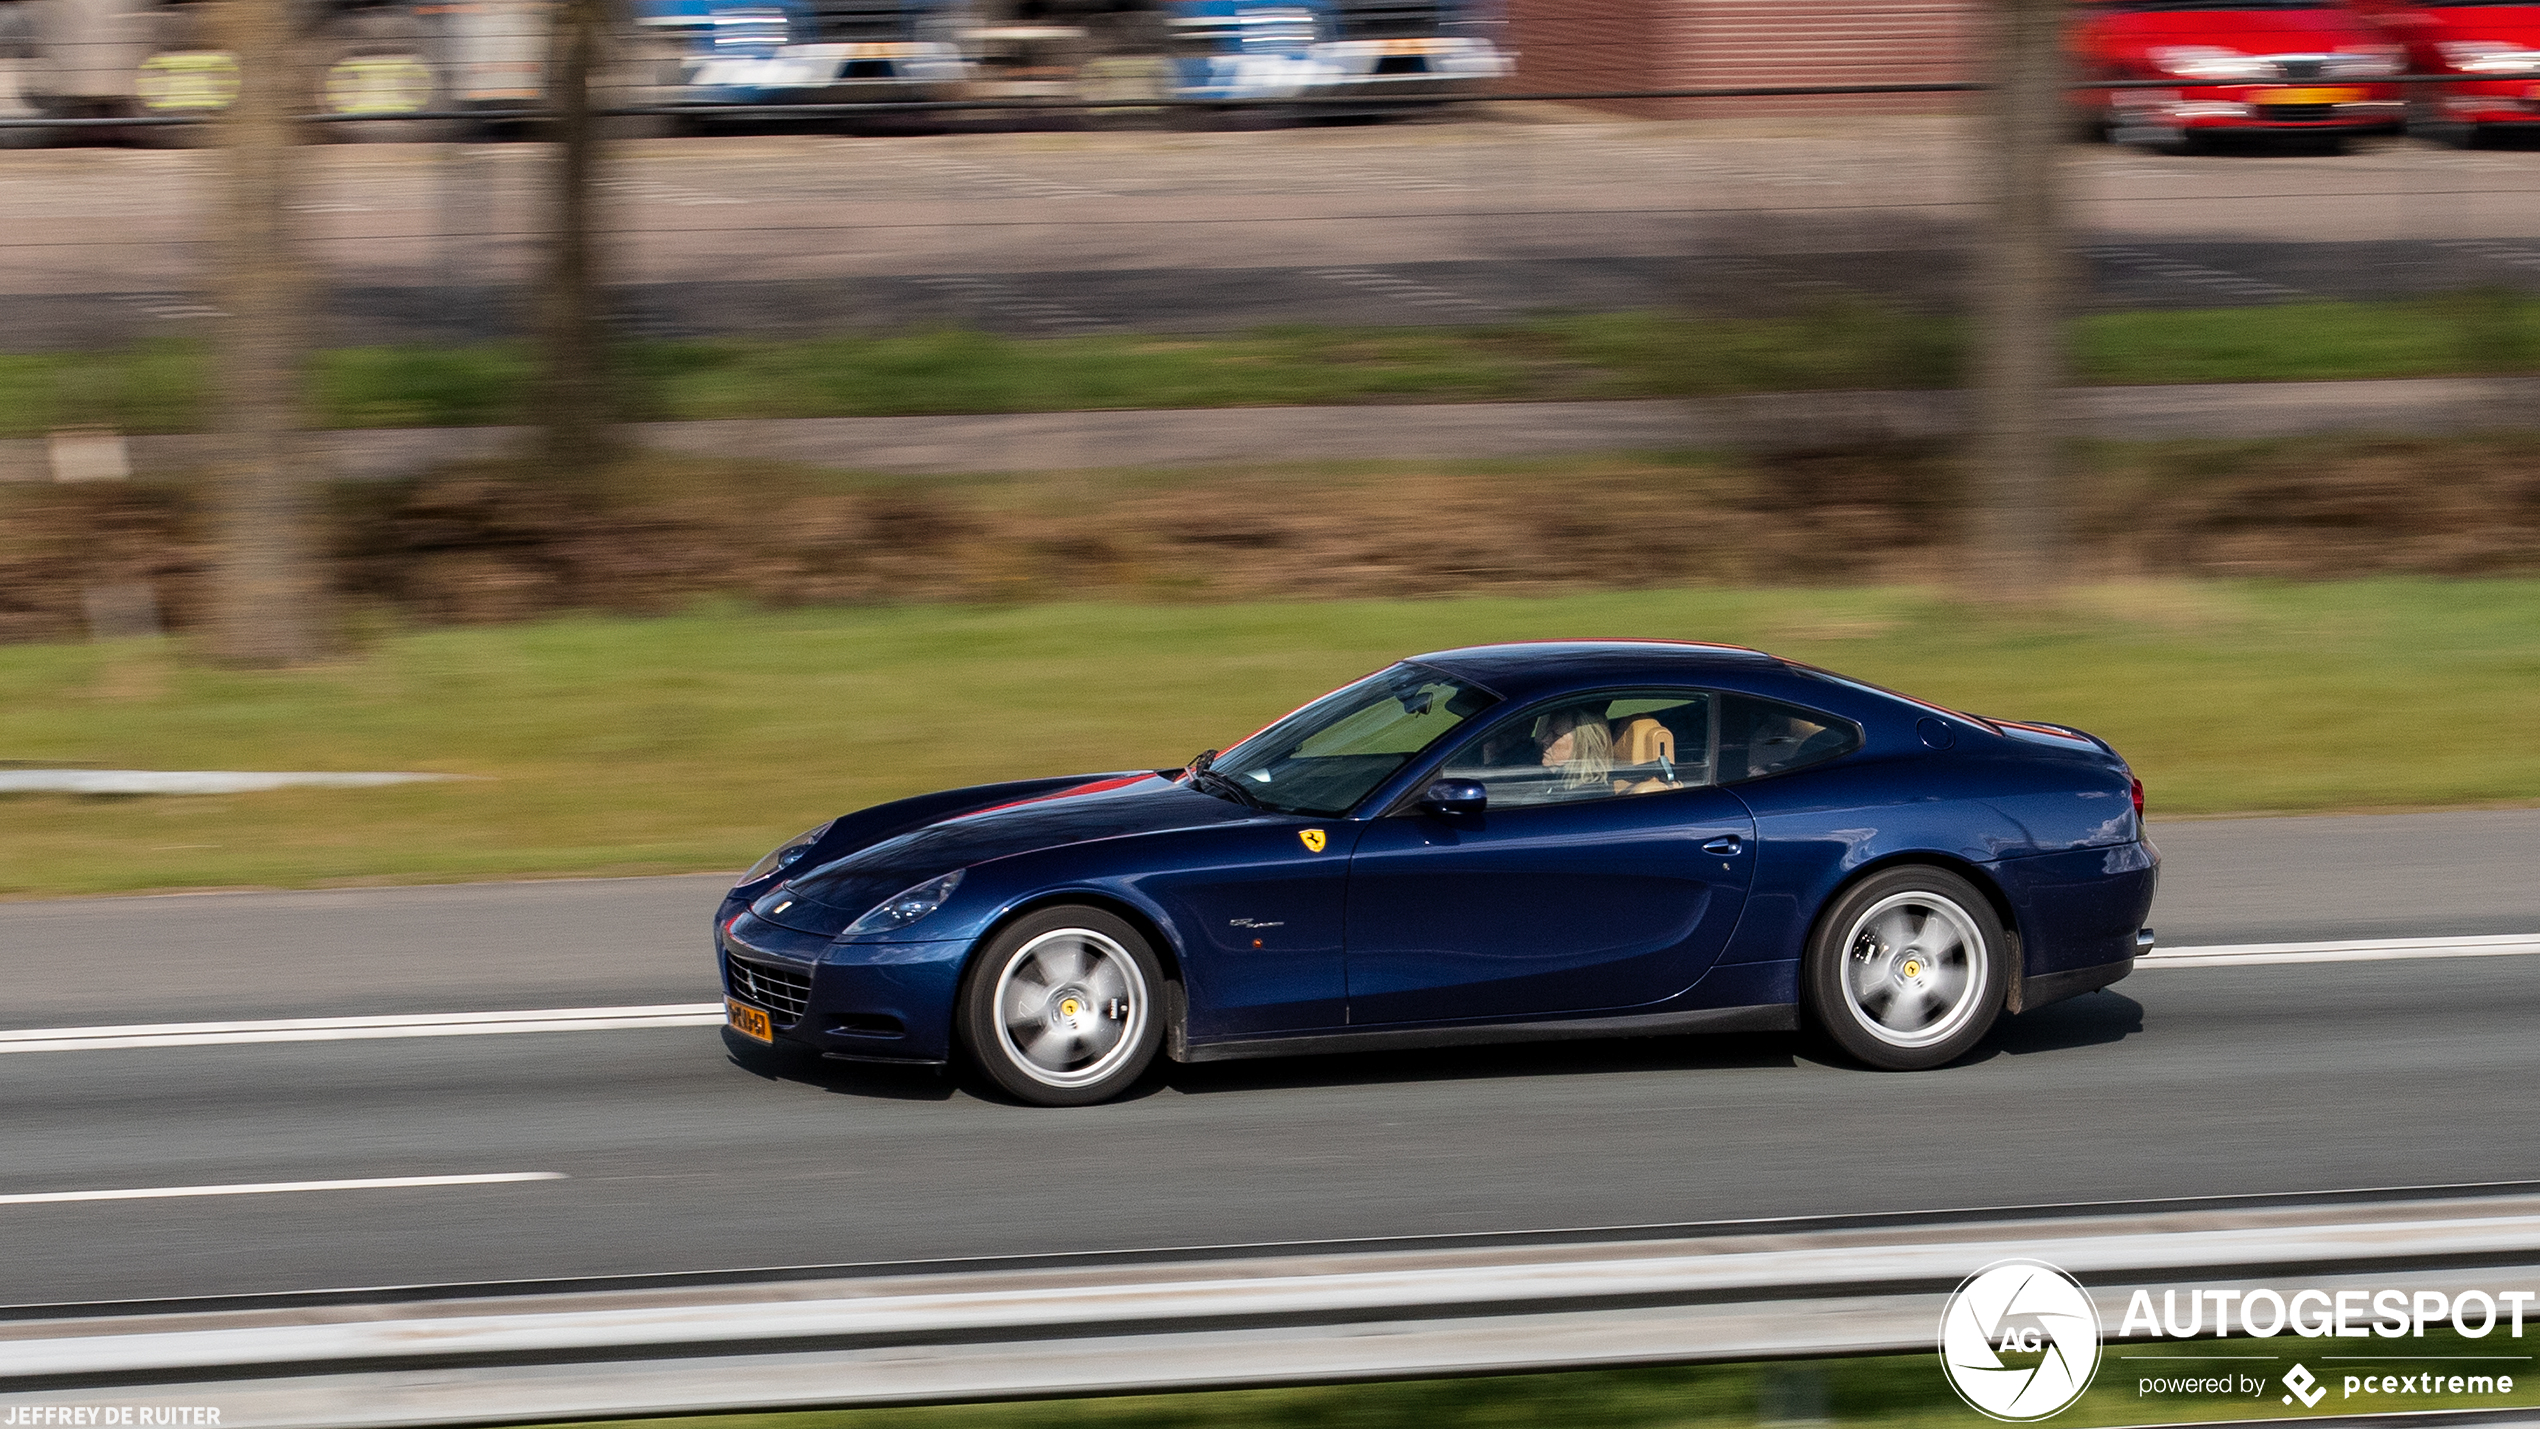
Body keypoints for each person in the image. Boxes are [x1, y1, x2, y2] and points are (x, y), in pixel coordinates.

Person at [1534, 707, 1614, 794]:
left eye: (1556, 735)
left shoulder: (1587, 798)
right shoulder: (1558, 783)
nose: (1544, 740)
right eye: (1548, 732)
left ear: (1583, 746)